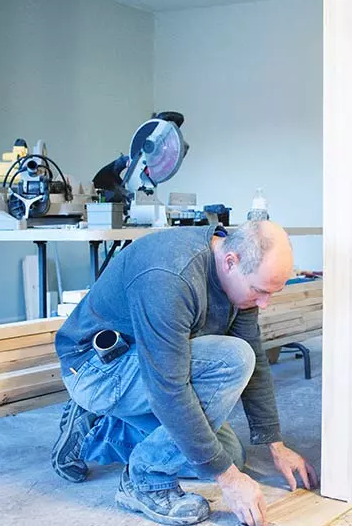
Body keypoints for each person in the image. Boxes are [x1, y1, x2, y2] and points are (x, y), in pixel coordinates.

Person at [50, 220, 316, 526]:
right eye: (259, 291)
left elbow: (256, 357)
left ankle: (99, 431)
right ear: (232, 261)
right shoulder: (170, 275)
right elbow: (168, 389)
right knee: (232, 360)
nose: (264, 303)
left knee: (228, 453)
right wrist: (229, 481)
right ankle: (145, 481)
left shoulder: (239, 280)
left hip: (148, 365)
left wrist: (275, 444)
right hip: (96, 369)